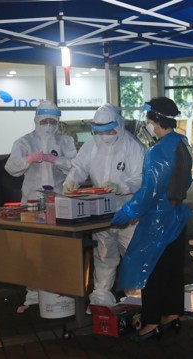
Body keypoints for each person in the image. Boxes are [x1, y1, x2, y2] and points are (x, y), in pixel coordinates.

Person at [110, 97, 192, 342]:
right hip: (177, 218)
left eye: (148, 119)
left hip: (157, 220)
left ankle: (151, 321)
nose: (146, 123)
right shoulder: (182, 142)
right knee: (173, 270)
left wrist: (127, 213)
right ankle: (172, 314)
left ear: (156, 121)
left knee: (151, 271)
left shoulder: (157, 152)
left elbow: (149, 191)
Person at [63, 103, 146, 307]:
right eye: (100, 132)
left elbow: (141, 177)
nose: (105, 135)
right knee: (104, 255)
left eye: (109, 130)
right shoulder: (93, 145)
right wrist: (72, 179)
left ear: (118, 125)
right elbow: (79, 166)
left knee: (132, 254)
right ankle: (101, 297)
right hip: (101, 213)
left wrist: (122, 186)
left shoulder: (133, 146)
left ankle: (136, 298)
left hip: (128, 212)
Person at [5, 100, 77, 305]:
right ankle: (34, 289)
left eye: (52, 121)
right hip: (33, 202)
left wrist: (56, 160)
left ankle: (60, 286)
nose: (48, 125)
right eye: (44, 120)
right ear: (36, 119)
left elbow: (75, 165)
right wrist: (28, 160)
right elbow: (11, 167)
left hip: (59, 201)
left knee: (60, 245)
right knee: (33, 246)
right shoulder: (24, 142)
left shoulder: (65, 141)